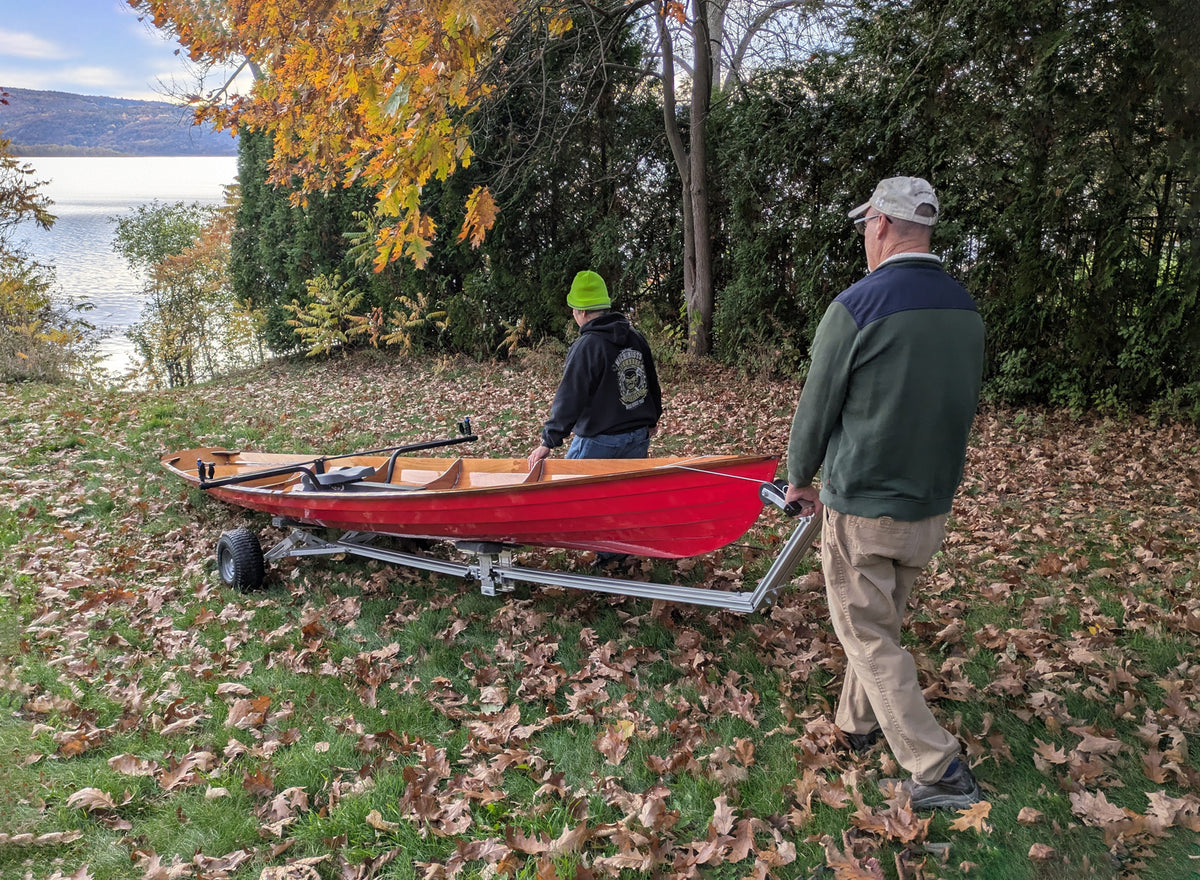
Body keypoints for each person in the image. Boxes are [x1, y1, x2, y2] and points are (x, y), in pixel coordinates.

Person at [785, 176, 985, 811]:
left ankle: (937, 768)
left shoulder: (857, 306)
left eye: (865, 227)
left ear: (880, 224)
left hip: (864, 503)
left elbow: (817, 406)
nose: (864, 238)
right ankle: (856, 724)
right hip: (929, 505)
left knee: (865, 632)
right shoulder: (964, 309)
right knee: (879, 622)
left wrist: (799, 478)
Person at [527, 270, 662, 470]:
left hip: (600, 441)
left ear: (582, 312)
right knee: (622, 488)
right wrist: (652, 418)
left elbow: (570, 397)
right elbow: (651, 382)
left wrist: (548, 441)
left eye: (573, 310)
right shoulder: (635, 337)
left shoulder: (587, 346)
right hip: (637, 436)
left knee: (572, 486)